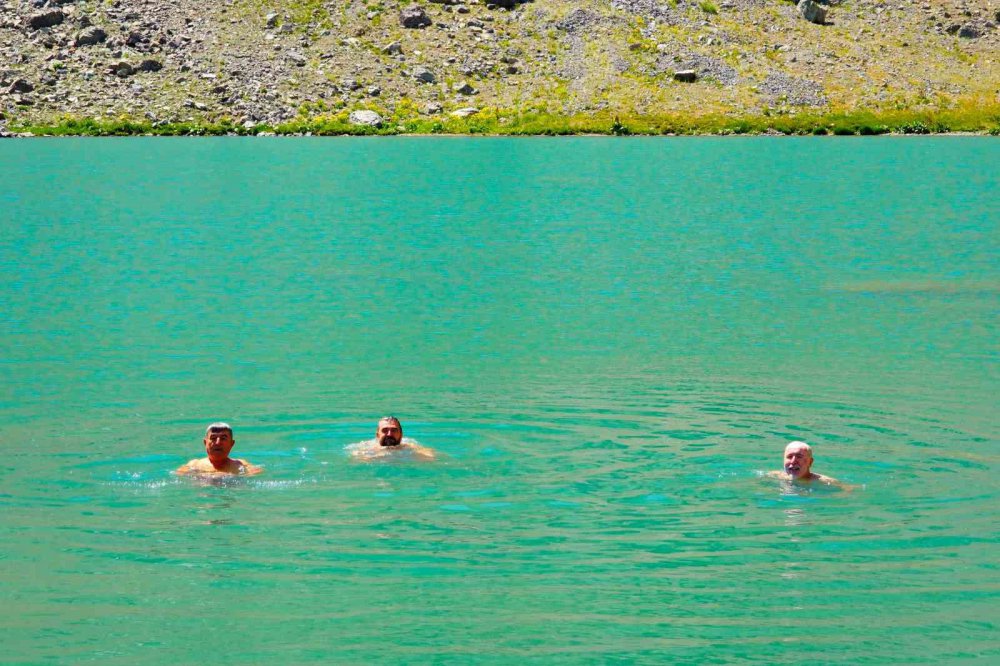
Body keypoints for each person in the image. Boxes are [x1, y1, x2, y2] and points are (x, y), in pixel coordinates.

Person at [176, 422, 262, 476]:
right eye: (213, 438)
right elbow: (178, 475)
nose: (218, 442)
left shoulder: (241, 465)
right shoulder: (194, 465)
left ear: (231, 444)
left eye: (223, 438)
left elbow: (257, 473)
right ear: (205, 443)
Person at [349, 416, 436, 461]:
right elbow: (356, 459)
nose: (389, 434)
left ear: (401, 435)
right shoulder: (365, 449)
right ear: (377, 435)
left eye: (394, 430)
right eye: (385, 430)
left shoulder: (410, 446)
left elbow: (431, 457)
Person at [768, 440, 840, 486]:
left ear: (810, 462)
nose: (793, 461)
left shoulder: (825, 482)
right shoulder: (773, 476)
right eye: (789, 456)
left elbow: (847, 491)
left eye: (799, 457)